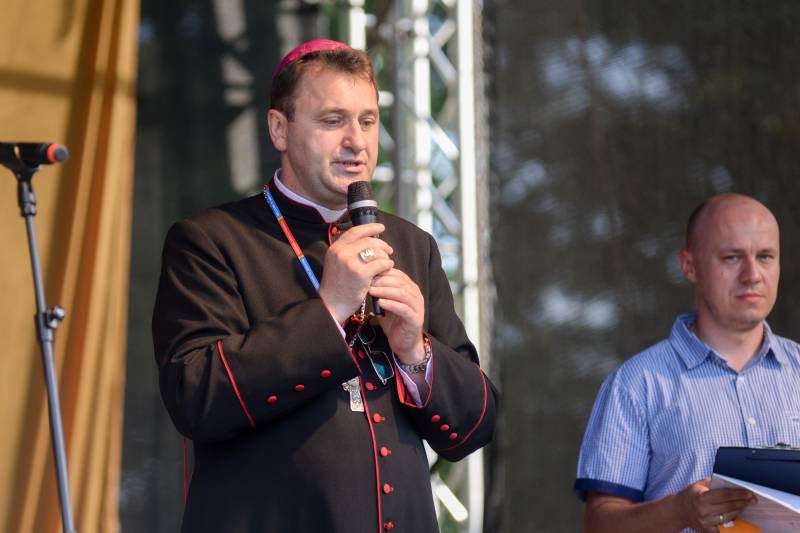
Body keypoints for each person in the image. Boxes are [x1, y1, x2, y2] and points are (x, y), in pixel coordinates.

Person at [152, 39, 497, 533]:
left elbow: (474, 426)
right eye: (333, 121)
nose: (357, 141)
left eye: (368, 121)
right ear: (280, 129)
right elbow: (195, 397)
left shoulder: (412, 245)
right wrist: (329, 309)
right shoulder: (212, 240)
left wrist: (415, 352)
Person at [574, 193, 800, 533]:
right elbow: (598, 525)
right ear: (689, 265)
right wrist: (678, 511)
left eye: (765, 256)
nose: (752, 274)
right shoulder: (636, 383)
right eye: (732, 257)